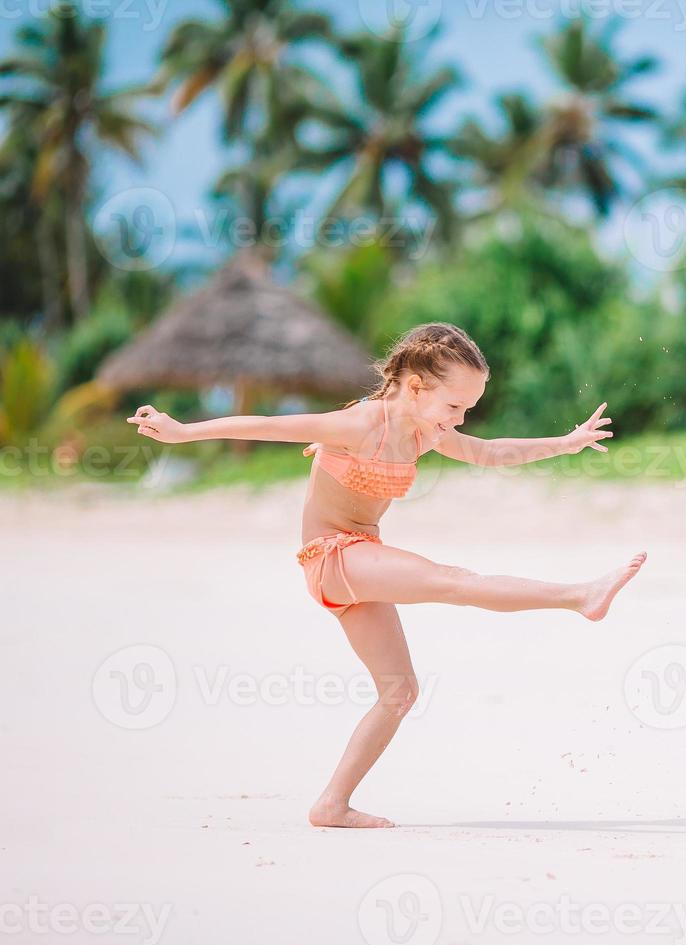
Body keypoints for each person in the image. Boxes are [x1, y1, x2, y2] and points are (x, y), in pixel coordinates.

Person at [127, 321, 646, 828]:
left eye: (468, 409)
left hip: (361, 559)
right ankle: (580, 595)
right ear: (416, 387)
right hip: (331, 556)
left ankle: (331, 804)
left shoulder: (424, 432)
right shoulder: (360, 425)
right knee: (452, 580)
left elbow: (489, 452)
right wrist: (183, 432)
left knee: (399, 691)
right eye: (454, 406)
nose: (460, 419)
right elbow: (266, 424)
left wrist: (567, 442)